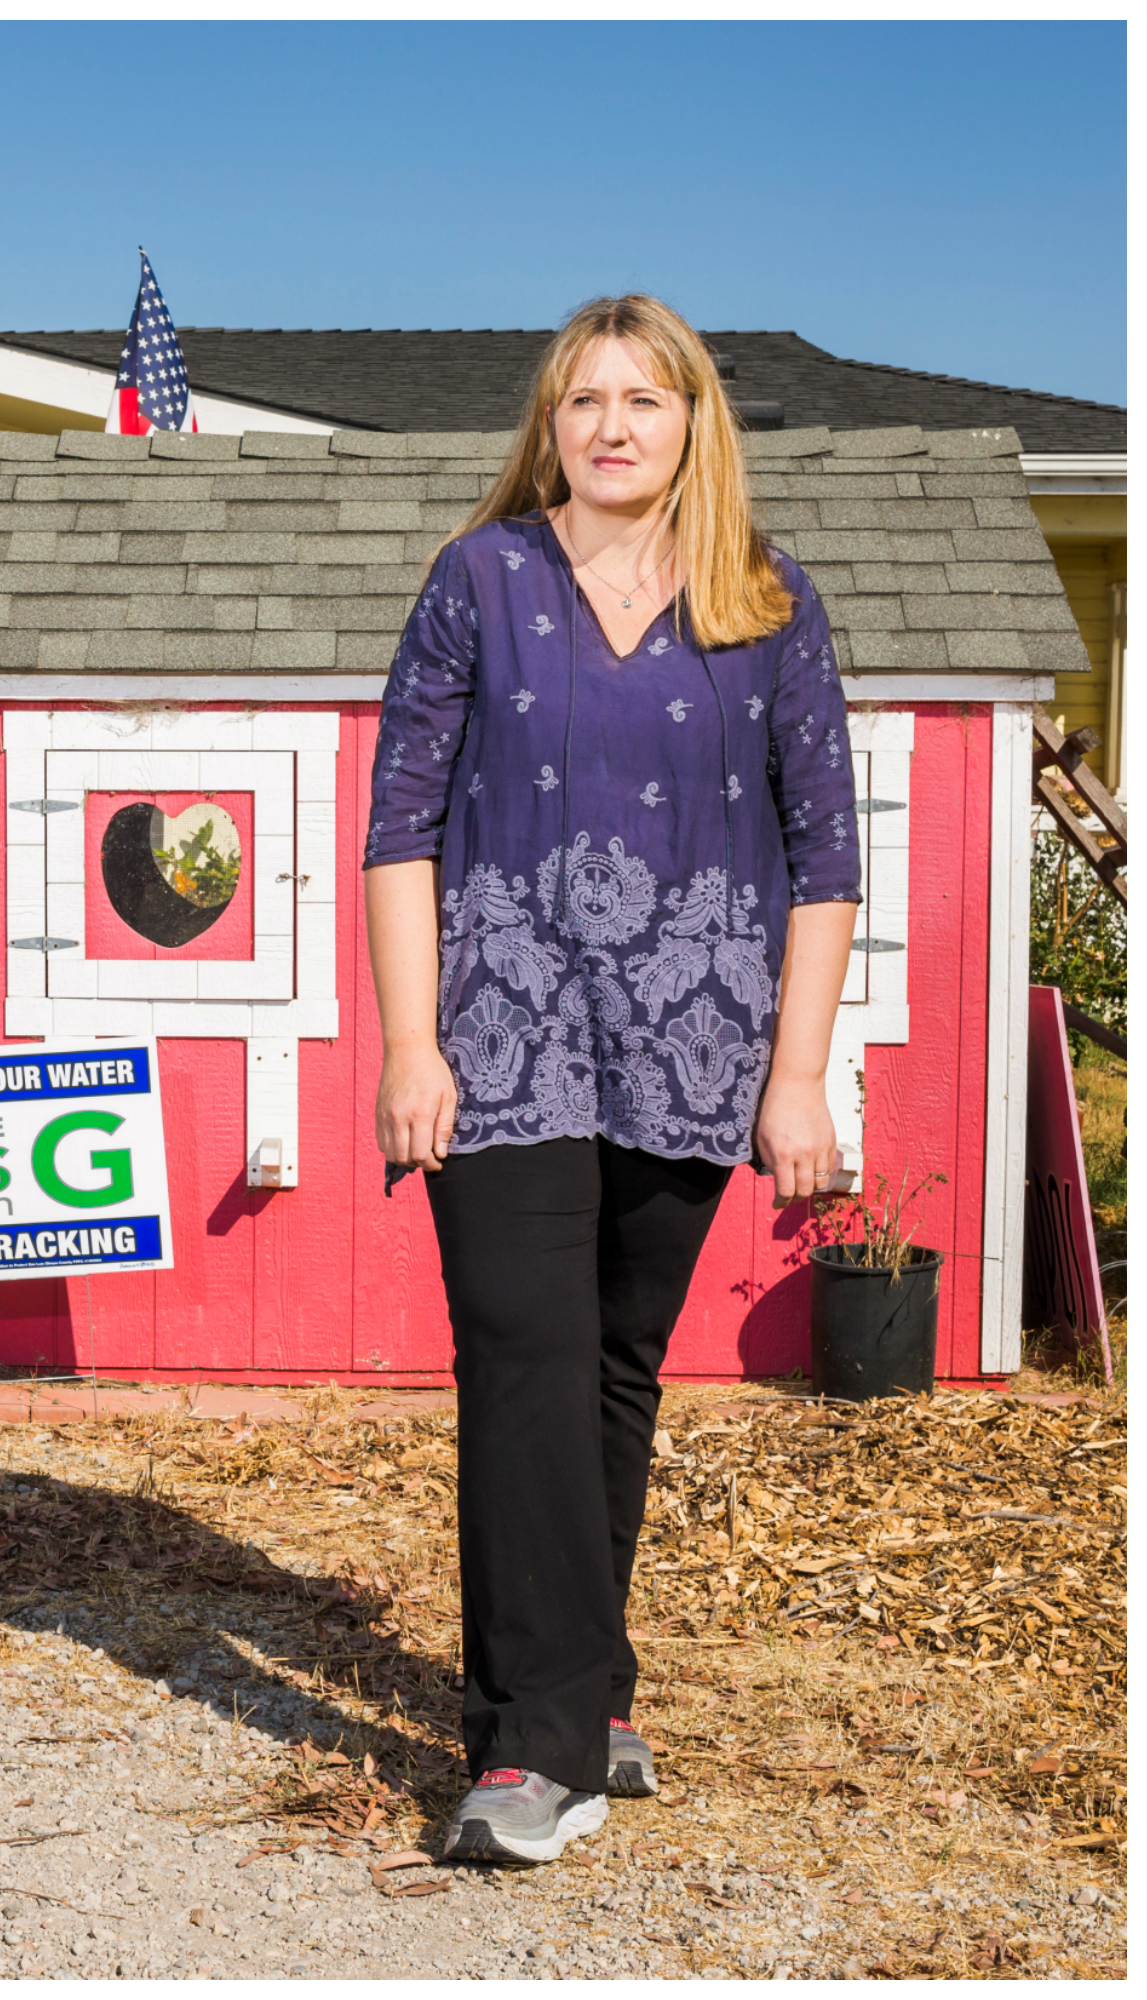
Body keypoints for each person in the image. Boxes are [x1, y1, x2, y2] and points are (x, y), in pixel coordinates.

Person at [362, 296, 858, 1866]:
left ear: (695, 422)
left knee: (608, 1377)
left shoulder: (771, 606)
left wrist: (798, 1079)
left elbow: (826, 861)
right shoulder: (481, 581)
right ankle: (537, 1753)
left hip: (696, 1039)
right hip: (499, 1037)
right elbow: (400, 825)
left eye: (646, 398)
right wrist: (407, 1040)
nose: (615, 424)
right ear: (551, 424)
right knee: (518, 1362)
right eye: (587, 399)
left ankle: (584, 1689)